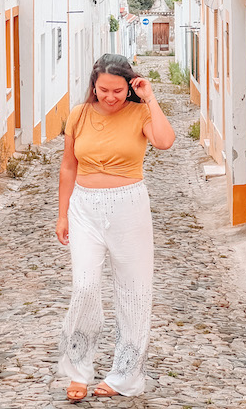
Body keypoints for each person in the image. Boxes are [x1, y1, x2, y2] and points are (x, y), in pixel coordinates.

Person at [56, 53, 175, 402]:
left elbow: (165, 141)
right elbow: (68, 167)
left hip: (129, 207)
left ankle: (124, 376)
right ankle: (77, 370)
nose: (110, 97)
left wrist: (150, 97)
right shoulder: (78, 115)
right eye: (104, 90)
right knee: (85, 287)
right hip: (84, 208)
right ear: (94, 85)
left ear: (130, 87)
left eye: (118, 91)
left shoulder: (140, 112)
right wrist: (62, 215)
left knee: (134, 294)